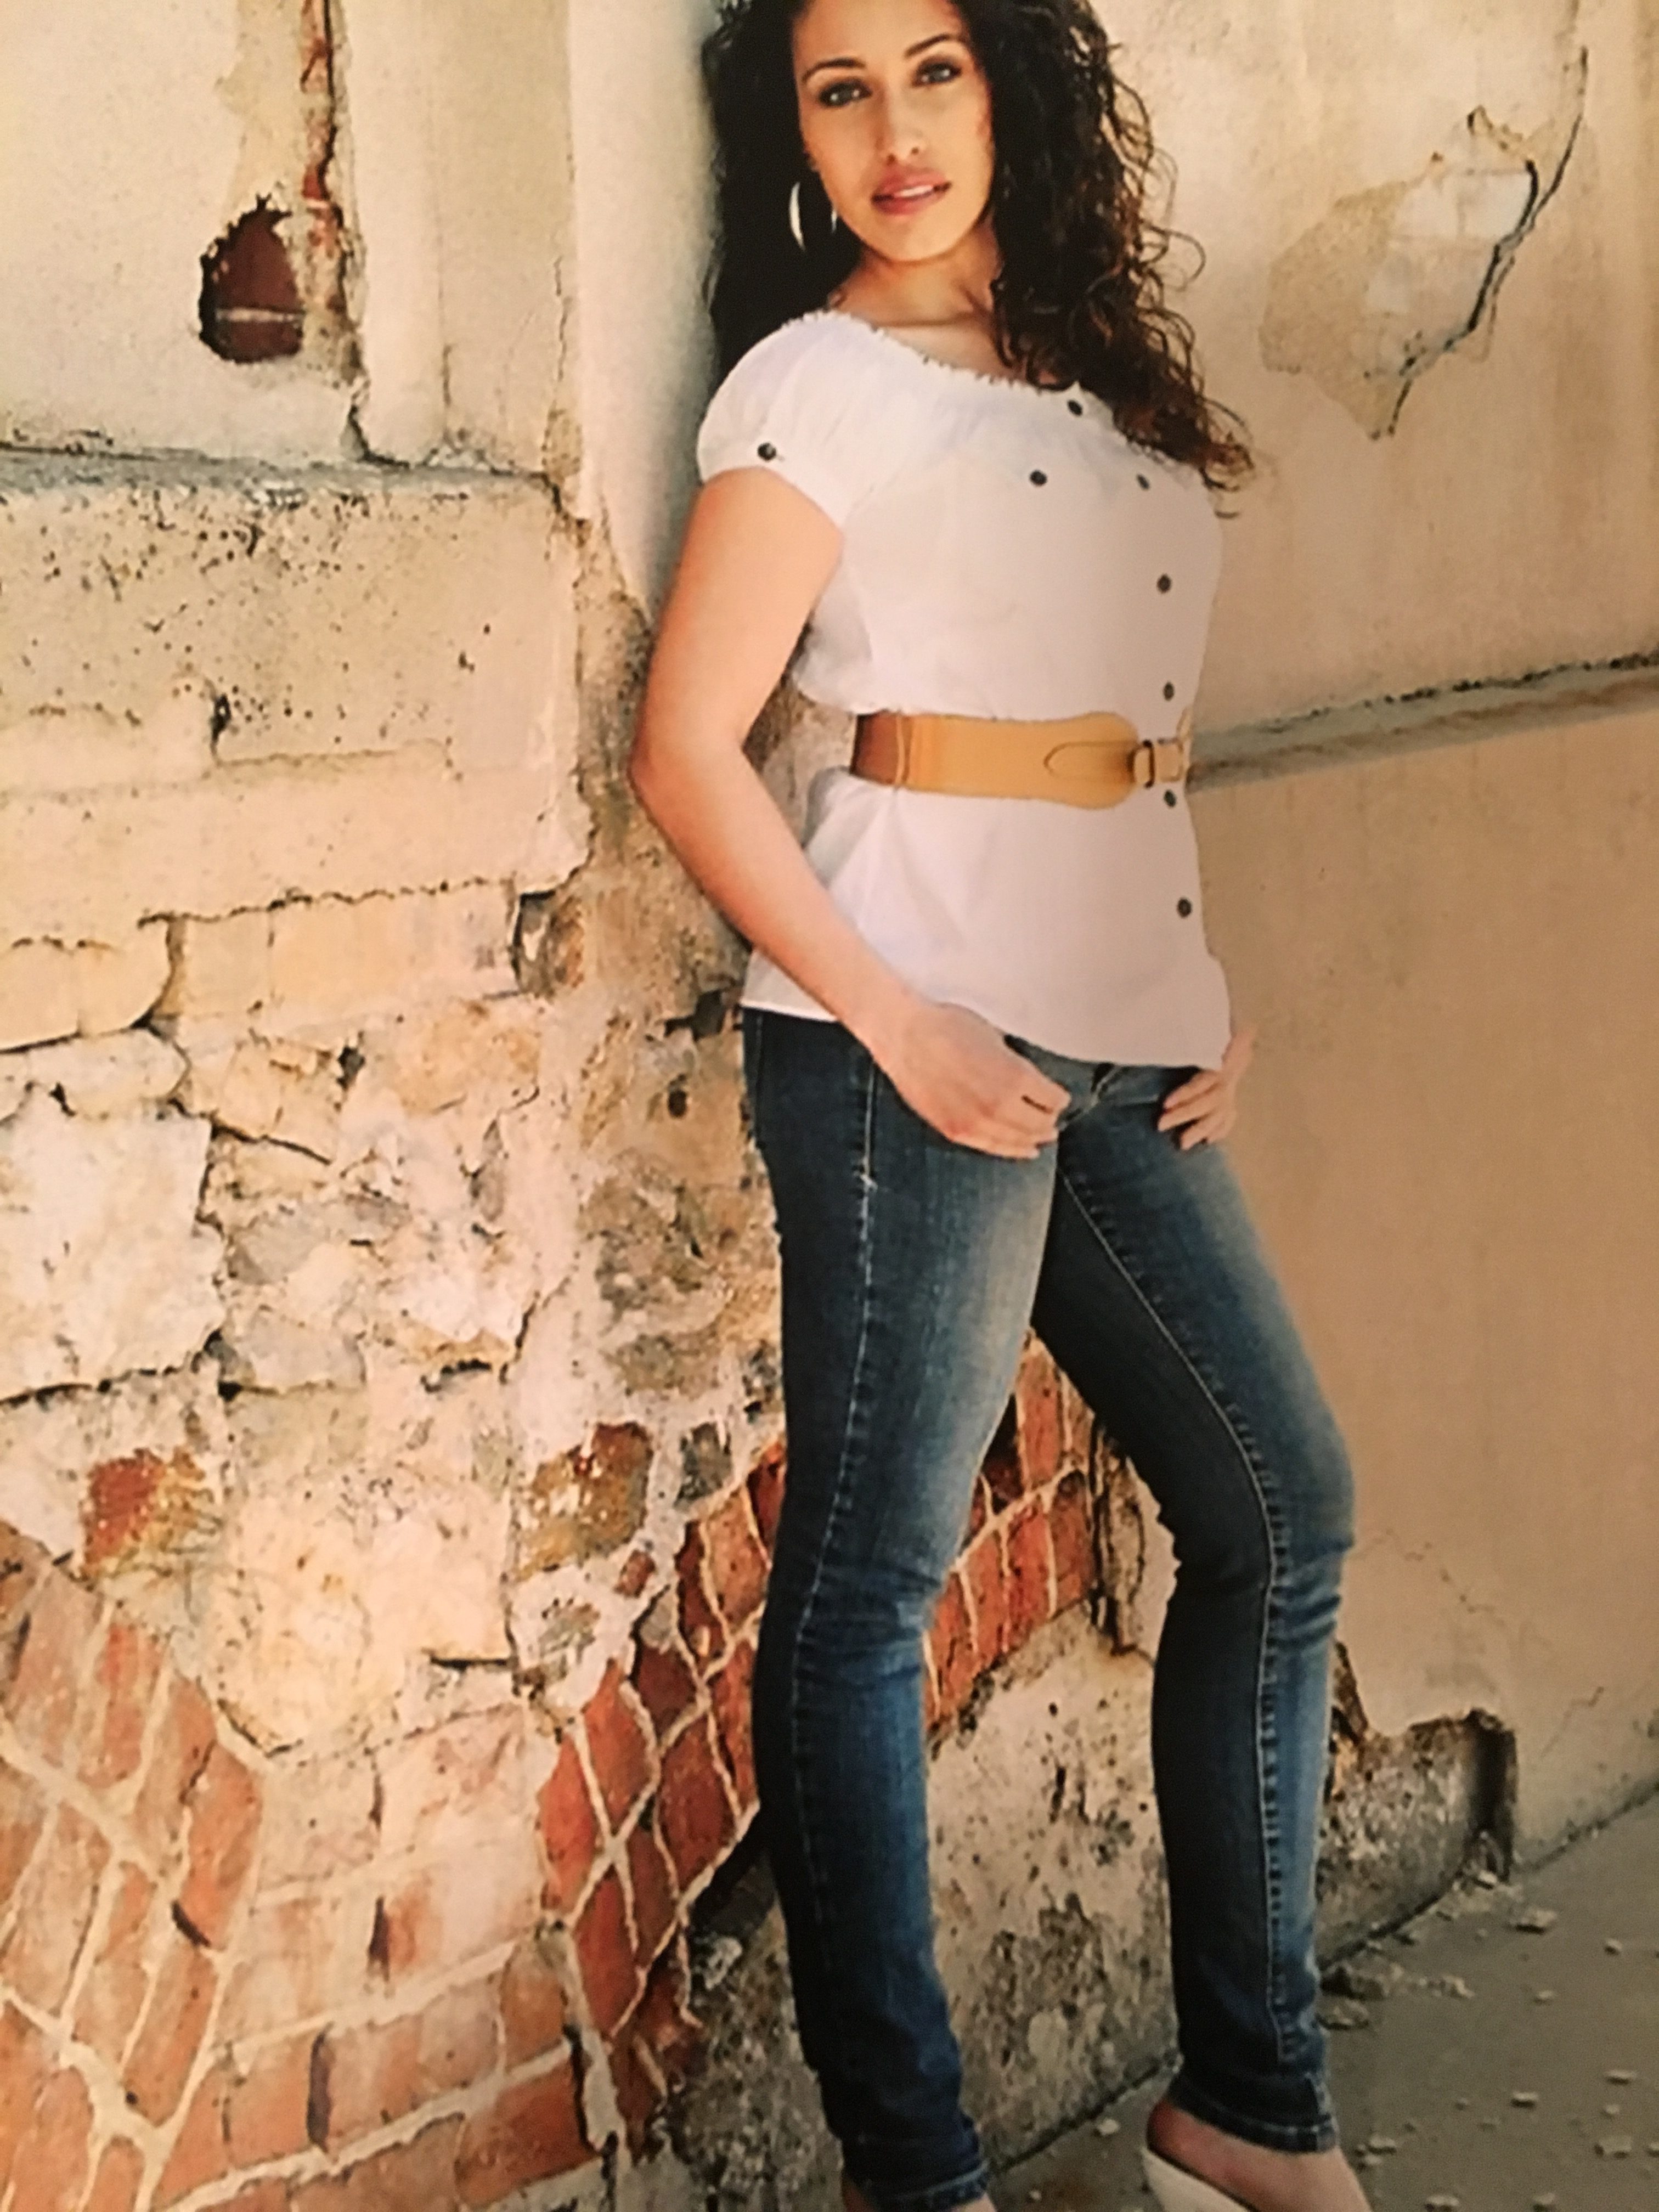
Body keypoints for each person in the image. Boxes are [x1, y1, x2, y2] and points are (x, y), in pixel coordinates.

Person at [629, 2, 1367, 2207]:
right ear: (794, 134)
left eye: (933, 69)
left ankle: (1249, 2109)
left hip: (1126, 1038)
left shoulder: (1100, 384)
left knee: (1280, 1511)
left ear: (1013, 87)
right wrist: (893, 1022)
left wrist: (1194, 981)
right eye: (838, 90)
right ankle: (916, 2166)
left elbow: (1124, 726)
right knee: (873, 1588)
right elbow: (686, 749)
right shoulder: (817, 386)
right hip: (902, 1041)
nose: (894, 131)